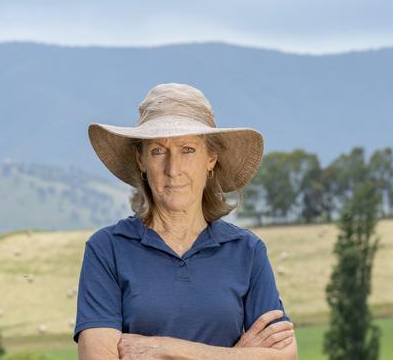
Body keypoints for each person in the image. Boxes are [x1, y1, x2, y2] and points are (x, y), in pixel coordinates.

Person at [73, 83, 297, 359]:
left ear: (211, 159)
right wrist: (238, 356)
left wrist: (163, 349)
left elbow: (284, 356)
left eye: (188, 149)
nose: (173, 169)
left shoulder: (246, 251)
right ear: (140, 160)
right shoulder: (108, 249)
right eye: (158, 151)